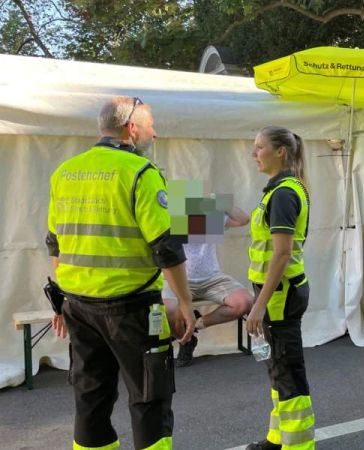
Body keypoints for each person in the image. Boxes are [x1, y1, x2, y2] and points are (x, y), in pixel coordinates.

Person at [46, 96, 195, 450]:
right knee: (149, 397)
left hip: (79, 306)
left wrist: (62, 301)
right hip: (133, 307)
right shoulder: (142, 173)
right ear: (132, 129)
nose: (154, 134)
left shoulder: (65, 172)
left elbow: (55, 244)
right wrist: (186, 304)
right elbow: (166, 248)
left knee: (91, 398)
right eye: (150, 125)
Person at [245, 126, 315, 450]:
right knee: (278, 369)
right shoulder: (277, 191)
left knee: (289, 375)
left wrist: (258, 304)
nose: (254, 153)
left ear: (281, 152)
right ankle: (278, 438)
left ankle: (299, 445)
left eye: (259, 147)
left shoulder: (285, 193)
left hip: (279, 295)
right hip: (278, 293)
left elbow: (282, 253)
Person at [163, 206, 255, 367]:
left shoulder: (210, 220)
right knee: (167, 308)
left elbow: (244, 219)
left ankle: (196, 325)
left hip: (212, 278)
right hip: (180, 279)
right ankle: (186, 340)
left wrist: (223, 202)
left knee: (245, 301)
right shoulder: (171, 220)